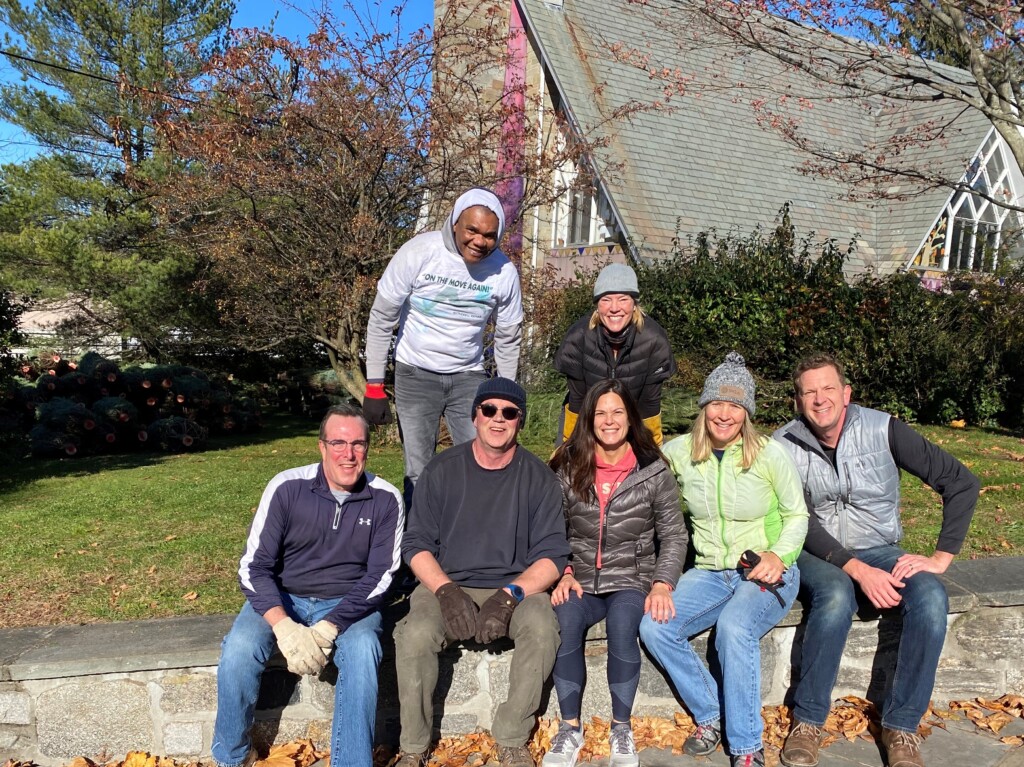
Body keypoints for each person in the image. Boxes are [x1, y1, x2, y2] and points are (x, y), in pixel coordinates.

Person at [773, 353, 980, 767]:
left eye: (828, 388)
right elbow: (801, 519)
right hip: (818, 552)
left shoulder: (883, 428)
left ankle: (901, 726)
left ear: (845, 393)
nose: (819, 399)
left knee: (930, 599)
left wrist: (940, 557)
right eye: (808, 392)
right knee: (833, 598)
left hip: (883, 548)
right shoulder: (782, 445)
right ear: (797, 401)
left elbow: (960, 481)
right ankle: (809, 720)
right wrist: (855, 568)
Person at [211, 404, 404, 767]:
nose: (348, 454)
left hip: (349, 603)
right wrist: (283, 626)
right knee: (239, 649)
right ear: (321, 447)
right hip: (284, 596)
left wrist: (330, 627)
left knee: (364, 651)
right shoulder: (286, 487)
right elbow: (254, 566)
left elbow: (381, 576)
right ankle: (232, 756)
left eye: (358, 444)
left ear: (368, 449)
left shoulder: (386, 499)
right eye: (338, 443)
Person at [639, 352, 807, 767]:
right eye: (717, 402)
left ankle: (748, 748)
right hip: (711, 572)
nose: (725, 413)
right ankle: (712, 715)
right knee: (655, 626)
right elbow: (637, 471)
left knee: (734, 629)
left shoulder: (770, 454)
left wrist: (779, 555)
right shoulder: (680, 453)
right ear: (704, 406)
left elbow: (797, 515)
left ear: (747, 412)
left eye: (735, 405)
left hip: (766, 572)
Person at [393, 377, 571, 767]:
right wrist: (444, 590)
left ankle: (511, 737)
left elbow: (553, 556)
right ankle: (414, 746)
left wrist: (511, 595)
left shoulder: (539, 477)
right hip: (447, 581)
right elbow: (415, 544)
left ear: (519, 421)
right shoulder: (441, 470)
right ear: (474, 416)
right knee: (414, 635)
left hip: (514, 583)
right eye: (489, 409)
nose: (498, 419)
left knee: (542, 629)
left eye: (509, 413)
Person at [543, 379, 688, 767]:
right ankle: (570, 728)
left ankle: (620, 728)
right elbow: (550, 529)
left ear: (630, 417)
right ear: (588, 420)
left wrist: (662, 582)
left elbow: (674, 533)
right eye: (600, 413)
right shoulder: (566, 465)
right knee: (565, 620)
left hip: (631, 578)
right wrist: (564, 572)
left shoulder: (653, 469)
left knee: (626, 625)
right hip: (580, 579)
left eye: (618, 412)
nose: (609, 421)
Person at [362, 187, 524, 504]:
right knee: (419, 472)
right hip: (415, 374)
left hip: (469, 378)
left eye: (490, 235)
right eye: (472, 230)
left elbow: (508, 337)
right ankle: (417, 549)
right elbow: (382, 317)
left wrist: (509, 393)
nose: (480, 241)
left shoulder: (503, 272)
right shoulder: (419, 252)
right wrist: (374, 385)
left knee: (483, 462)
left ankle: (473, 545)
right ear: (454, 223)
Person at [553, 262, 675, 445]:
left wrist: (654, 452)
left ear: (634, 304)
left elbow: (650, 403)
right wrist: (568, 449)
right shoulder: (578, 338)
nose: (614, 308)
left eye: (623, 299)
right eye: (606, 300)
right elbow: (577, 399)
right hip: (585, 417)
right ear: (597, 306)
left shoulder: (654, 341)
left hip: (634, 418)